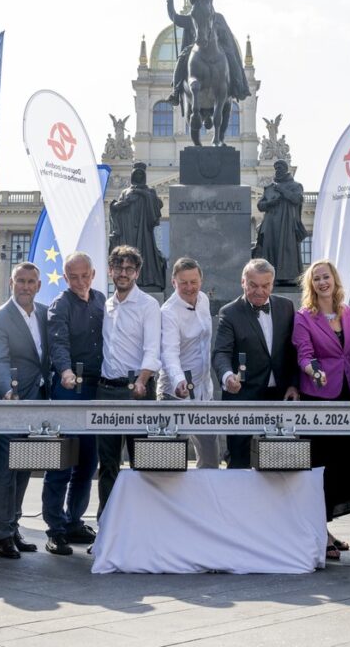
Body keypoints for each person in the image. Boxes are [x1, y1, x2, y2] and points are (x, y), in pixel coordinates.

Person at [291, 259, 350, 561]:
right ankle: (319, 534)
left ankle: (326, 530)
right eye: (317, 279)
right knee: (321, 467)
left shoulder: (348, 313)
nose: (322, 282)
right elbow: (304, 354)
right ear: (311, 285)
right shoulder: (304, 317)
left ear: (334, 280)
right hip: (319, 397)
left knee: (341, 468)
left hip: (347, 394)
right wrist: (313, 371)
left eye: (326, 277)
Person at [0, 262, 49, 559]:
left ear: (38, 285)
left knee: (25, 465)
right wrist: (5, 390)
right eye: (21, 281)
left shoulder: (45, 314)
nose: (26, 286)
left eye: (31, 282)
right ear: (12, 283)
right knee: (5, 469)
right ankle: (1, 535)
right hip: (12, 398)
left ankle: (13, 526)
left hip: (38, 399)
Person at [43, 251, 103, 555]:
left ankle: (74, 520)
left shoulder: (103, 301)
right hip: (69, 387)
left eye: (85, 275)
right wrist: (65, 371)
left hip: (97, 387)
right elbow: (58, 343)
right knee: (62, 460)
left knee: (89, 461)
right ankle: (55, 528)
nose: (80, 281)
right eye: (73, 277)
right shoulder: (59, 306)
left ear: (92, 275)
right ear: (65, 278)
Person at [213, 258, 299, 468]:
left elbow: (294, 350)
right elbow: (221, 353)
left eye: (265, 285)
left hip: (279, 395)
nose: (259, 291)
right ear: (243, 282)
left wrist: (294, 384)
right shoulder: (229, 312)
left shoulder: (286, 306)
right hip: (242, 394)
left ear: (272, 284)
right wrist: (227, 377)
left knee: (280, 462)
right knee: (238, 459)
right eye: (253, 285)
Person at [96, 245, 161, 515]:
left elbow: (152, 349)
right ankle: (107, 525)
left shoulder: (148, 305)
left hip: (137, 390)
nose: (124, 273)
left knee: (141, 463)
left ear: (137, 272)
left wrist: (143, 381)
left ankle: (140, 526)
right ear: (110, 271)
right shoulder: (105, 305)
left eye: (129, 269)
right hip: (106, 391)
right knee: (107, 464)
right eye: (119, 268)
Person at [160, 257, 218, 468]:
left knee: (211, 459)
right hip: (175, 393)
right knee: (171, 464)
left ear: (201, 281)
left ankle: (204, 501)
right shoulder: (168, 312)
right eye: (183, 282)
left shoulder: (203, 299)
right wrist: (178, 381)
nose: (189, 287)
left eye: (193, 282)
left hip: (204, 392)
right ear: (173, 282)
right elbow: (169, 353)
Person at [108, 163, 167, 291]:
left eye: (141, 174)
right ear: (133, 175)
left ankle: (147, 280)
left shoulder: (150, 191)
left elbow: (156, 208)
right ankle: (130, 278)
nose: (139, 176)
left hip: (144, 231)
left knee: (146, 255)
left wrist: (143, 194)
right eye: (137, 174)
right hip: (128, 230)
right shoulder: (125, 192)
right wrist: (120, 205)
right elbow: (118, 209)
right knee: (128, 253)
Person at [252, 160, 309, 285]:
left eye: (280, 167)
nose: (278, 170)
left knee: (287, 250)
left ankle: (288, 277)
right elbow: (260, 206)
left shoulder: (295, 186)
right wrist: (270, 203)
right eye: (276, 168)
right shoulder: (269, 188)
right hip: (271, 224)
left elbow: (297, 199)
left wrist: (282, 190)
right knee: (270, 250)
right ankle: (271, 278)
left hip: (287, 225)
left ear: (286, 169)